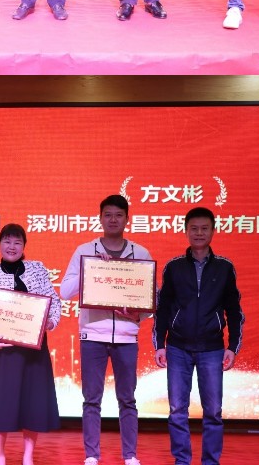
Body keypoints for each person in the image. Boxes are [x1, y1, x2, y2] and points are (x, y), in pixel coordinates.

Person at [59, 195, 152, 465]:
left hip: (126, 337)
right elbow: (65, 291)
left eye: (118, 215)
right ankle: (91, 455)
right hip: (92, 335)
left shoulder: (140, 253)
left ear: (127, 219)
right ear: (100, 218)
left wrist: (138, 314)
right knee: (91, 399)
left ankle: (130, 455)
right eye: (108, 215)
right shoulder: (85, 250)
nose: (113, 220)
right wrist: (92, 269)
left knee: (128, 399)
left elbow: (150, 301)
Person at [154, 207, 244, 465]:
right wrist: (159, 344)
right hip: (177, 347)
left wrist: (232, 346)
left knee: (213, 412)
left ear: (213, 231)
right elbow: (163, 309)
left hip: (212, 349)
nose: (199, 233)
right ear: (186, 231)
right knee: (177, 411)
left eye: (205, 228)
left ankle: (210, 462)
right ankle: (182, 461)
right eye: (194, 228)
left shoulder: (225, 268)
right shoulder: (174, 267)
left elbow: (234, 310)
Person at [0, 224, 61, 465]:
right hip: (3, 350)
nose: (12, 247)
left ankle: (28, 456)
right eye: (7, 241)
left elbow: (53, 300)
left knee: (33, 403)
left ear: (24, 246)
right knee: (1, 403)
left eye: (17, 242)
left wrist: (51, 321)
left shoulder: (37, 269)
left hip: (34, 349)